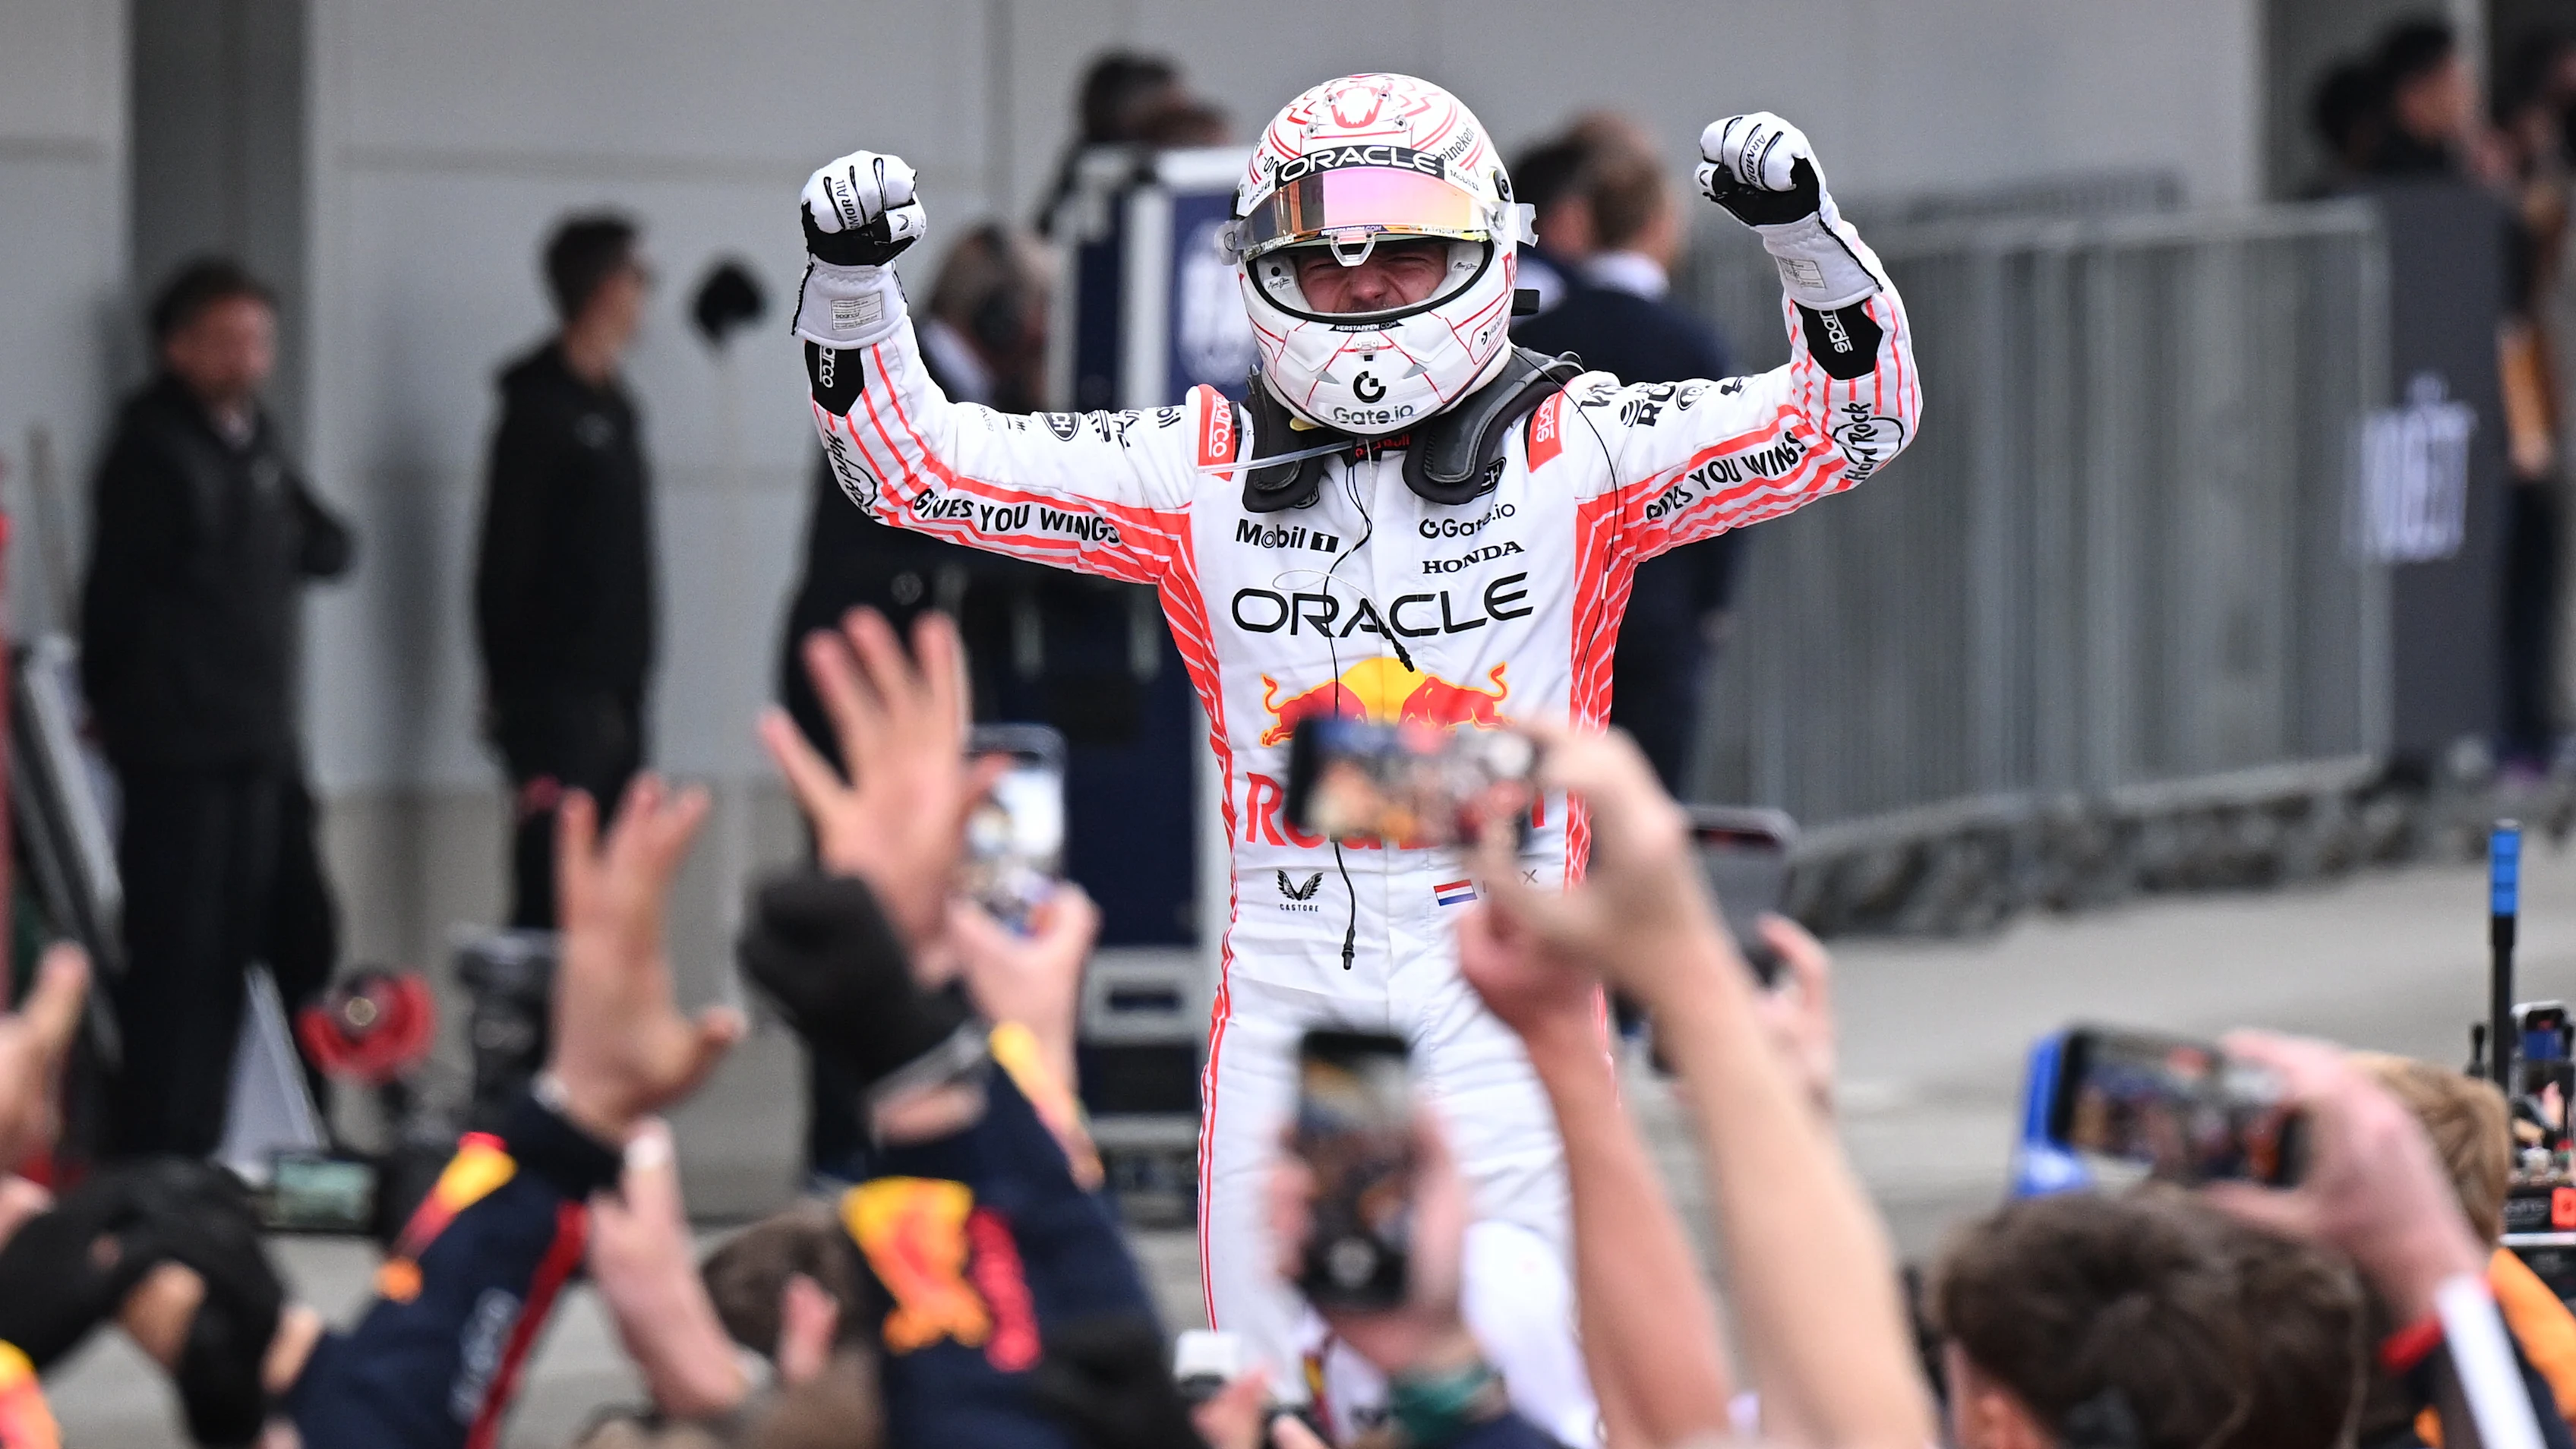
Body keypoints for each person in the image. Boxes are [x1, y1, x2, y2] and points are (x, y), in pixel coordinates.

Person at [788, 74, 1918, 1382]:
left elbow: (1852, 419)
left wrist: (1805, 238)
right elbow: (910, 466)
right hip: (1289, 999)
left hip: (1504, 991)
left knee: (1536, 1380)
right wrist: (850, 290)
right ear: (1260, 271)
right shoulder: (1193, 464)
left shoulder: (1581, 447)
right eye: (1326, 260)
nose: (1368, 285)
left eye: (1406, 250)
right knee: (1280, 1389)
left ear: (1490, 251)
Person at [775, 223, 1054, 1184]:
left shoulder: (975, 390)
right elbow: (941, 520)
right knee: (859, 904)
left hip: (912, 676)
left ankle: (921, 1124)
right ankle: (842, 1143)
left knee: (936, 910)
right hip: (863, 683)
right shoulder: (910, 389)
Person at [81, 256, 355, 1158]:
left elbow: (327, 544)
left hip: (260, 742)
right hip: (181, 747)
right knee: (180, 956)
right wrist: (115, 704)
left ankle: (267, 1137)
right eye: (227, 340)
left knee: (286, 935)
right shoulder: (151, 451)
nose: (247, 359)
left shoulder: (257, 443)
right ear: (179, 347)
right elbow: (114, 600)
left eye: (258, 341)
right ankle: (160, 1148)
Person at [1517, 128, 1745, 795]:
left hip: (1553, 602)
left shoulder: (1538, 338)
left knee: (1553, 800)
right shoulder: (1692, 344)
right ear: (1659, 225)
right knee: (1647, 802)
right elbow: (1727, 473)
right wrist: (1713, 599)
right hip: (1661, 604)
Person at [475, 213, 660, 930]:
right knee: (553, 882)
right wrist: (514, 687)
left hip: (619, 687)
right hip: (556, 694)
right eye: (640, 281)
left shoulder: (615, 405)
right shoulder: (539, 411)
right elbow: (505, 560)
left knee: (613, 889)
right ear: (609, 288)